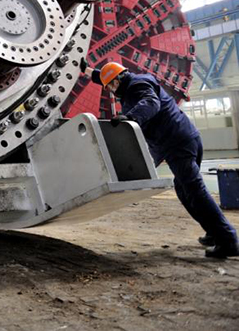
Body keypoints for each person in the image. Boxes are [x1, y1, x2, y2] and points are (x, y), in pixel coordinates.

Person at [84, 61, 239, 258]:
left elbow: (150, 103)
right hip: (180, 139)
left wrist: (130, 118)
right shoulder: (131, 81)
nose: (111, 92)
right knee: (185, 191)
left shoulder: (137, 86)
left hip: (177, 143)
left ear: (117, 82)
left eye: (110, 87)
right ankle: (214, 231)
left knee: (195, 191)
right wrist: (85, 69)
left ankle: (228, 240)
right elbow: (106, 77)